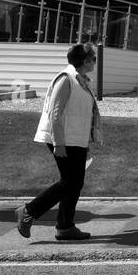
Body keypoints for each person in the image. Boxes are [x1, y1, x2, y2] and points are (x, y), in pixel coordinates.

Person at [16, 44, 103, 241]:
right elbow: (55, 113)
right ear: (86, 60)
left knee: (75, 183)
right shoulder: (66, 78)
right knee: (69, 182)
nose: (95, 62)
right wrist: (59, 142)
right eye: (93, 59)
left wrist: (85, 141)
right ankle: (29, 211)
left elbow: (80, 114)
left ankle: (65, 227)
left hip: (76, 140)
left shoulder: (81, 81)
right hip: (63, 139)